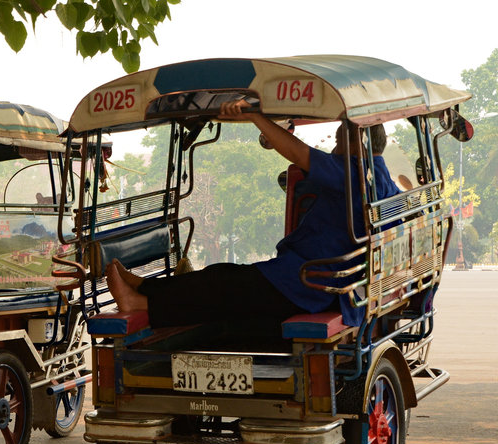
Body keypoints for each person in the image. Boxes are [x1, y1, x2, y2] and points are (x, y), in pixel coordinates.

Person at [106, 100, 400, 339]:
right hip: (309, 279)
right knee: (221, 275)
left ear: (355, 143)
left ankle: (142, 302)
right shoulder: (379, 180)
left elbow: (300, 153)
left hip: (304, 285)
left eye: (337, 142)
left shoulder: (355, 173)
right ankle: (144, 288)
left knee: (220, 284)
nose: (334, 151)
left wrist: (255, 116)